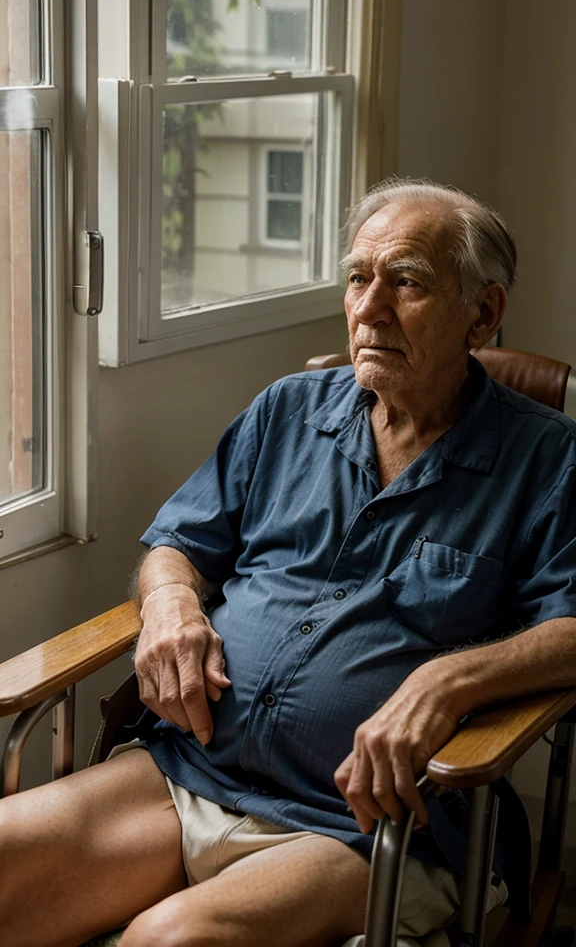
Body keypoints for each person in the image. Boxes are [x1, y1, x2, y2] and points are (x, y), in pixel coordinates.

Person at [2, 178, 576, 947]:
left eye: (406, 282)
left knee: (167, 941)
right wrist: (170, 607)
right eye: (358, 277)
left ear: (483, 313)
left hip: (367, 826)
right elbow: (177, 545)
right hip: (192, 771)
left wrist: (447, 680)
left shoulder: (547, 460)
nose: (369, 309)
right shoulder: (286, 411)